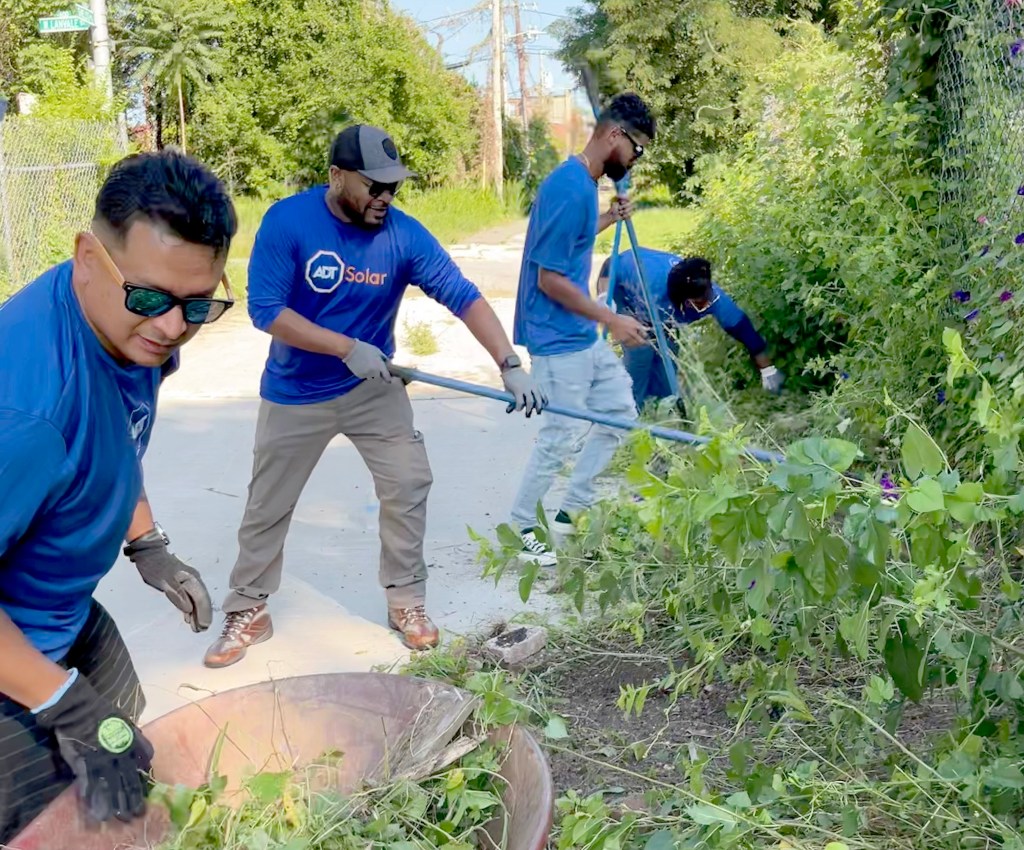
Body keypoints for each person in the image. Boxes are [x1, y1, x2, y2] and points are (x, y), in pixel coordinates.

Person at [203, 124, 546, 666]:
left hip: (373, 386)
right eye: (374, 187)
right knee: (269, 503)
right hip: (296, 391)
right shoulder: (288, 222)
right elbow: (266, 311)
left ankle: (406, 601)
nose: (385, 198)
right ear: (337, 176)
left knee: (409, 481)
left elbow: (463, 295)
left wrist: (509, 364)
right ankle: (248, 608)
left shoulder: (403, 235)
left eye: (394, 187)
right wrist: (345, 347)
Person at [0, 150, 235, 844]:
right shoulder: (26, 413)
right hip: (17, 653)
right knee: (54, 819)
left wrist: (148, 542)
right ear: (85, 255)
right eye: (152, 299)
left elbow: (115, 439)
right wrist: (63, 705)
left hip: (63, 614)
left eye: (198, 305)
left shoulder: (137, 327)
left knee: (129, 750)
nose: (172, 328)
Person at [507, 92, 656, 568]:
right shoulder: (570, 188)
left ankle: (571, 511)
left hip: (578, 333)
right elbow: (548, 278)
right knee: (561, 433)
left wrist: (609, 217)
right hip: (556, 335)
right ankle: (521, 524)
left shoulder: (581, 186)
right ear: (615, 135)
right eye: (637, 149)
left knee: (618, 412)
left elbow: (568, 240)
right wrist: (611, 318)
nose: (635, 160)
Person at [597, 250, 783, 408]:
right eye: (699, 303)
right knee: (641, 353)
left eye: (708, 297)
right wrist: (606, 307)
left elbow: (743, 330)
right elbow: (609, 264)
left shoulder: (711, 298)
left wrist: (767, 370)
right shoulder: (644, 274)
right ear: (681, 300)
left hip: (661, 314)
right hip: (626, 296)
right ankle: (627, 414)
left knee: (668, 359)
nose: (707, 304)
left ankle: (660, 410)